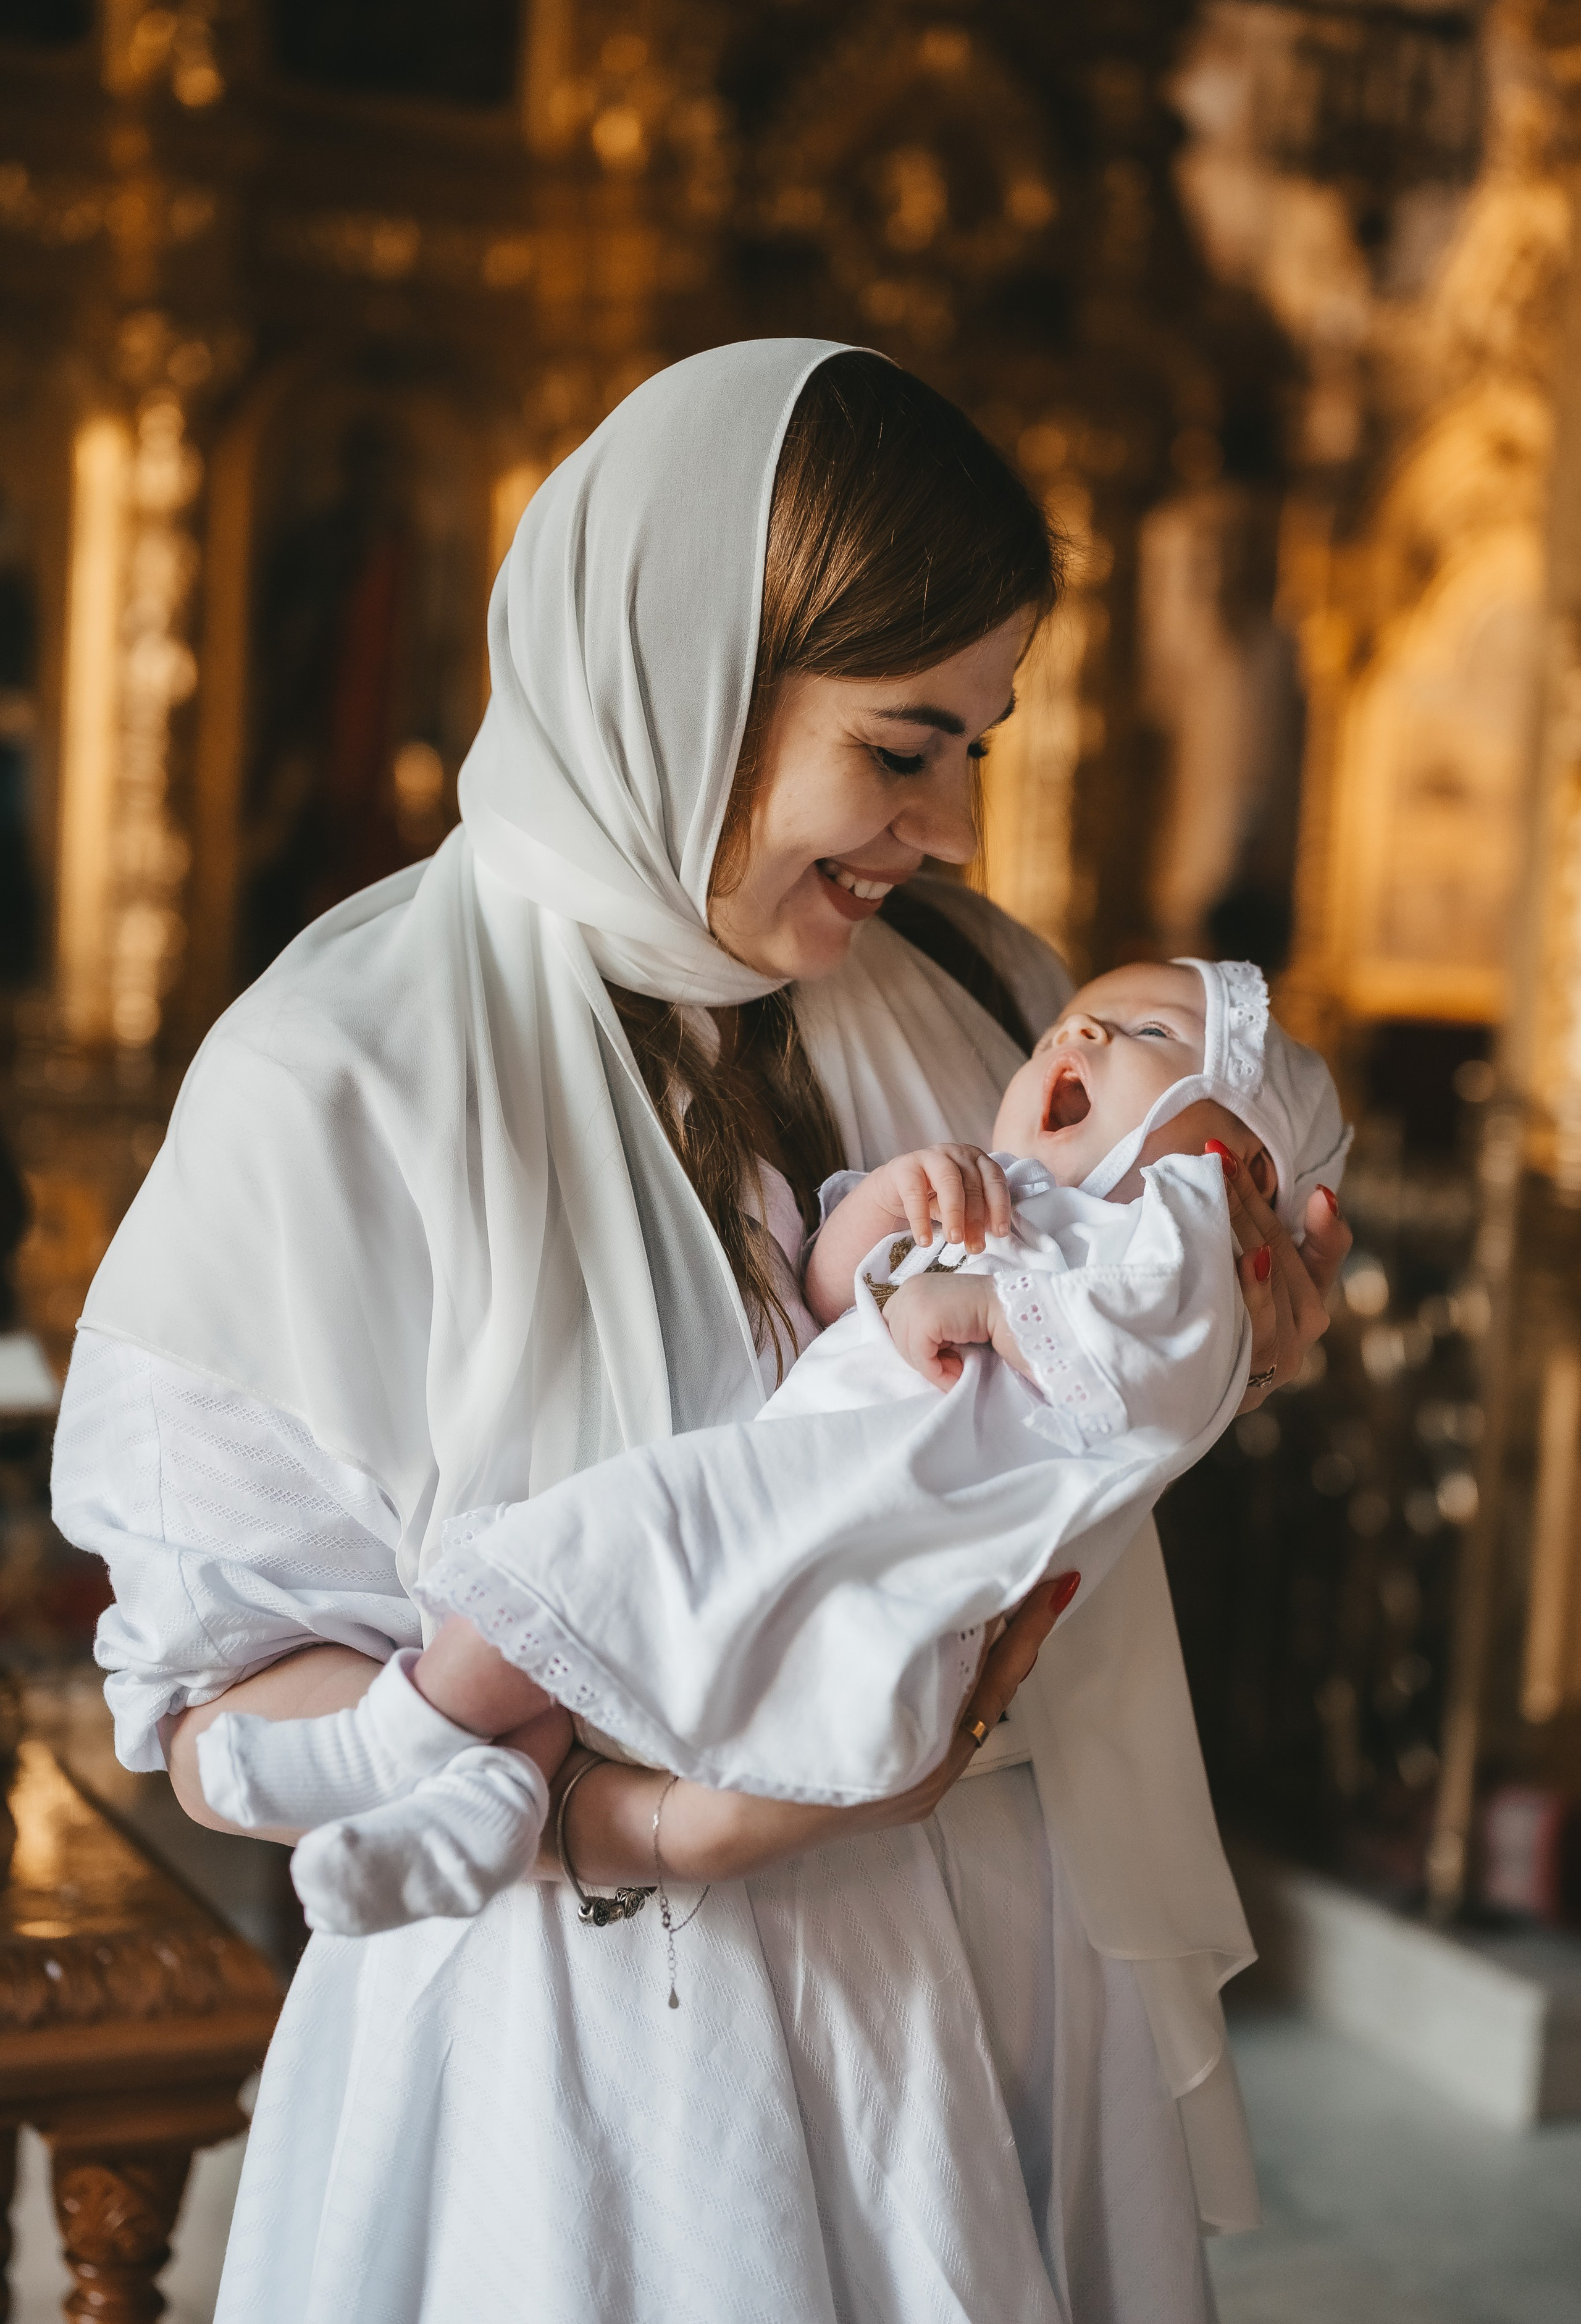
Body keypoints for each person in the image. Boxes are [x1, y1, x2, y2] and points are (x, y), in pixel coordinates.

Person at [52, 342, 1348, 2324]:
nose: (953, 829)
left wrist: (1221, 1356)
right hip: (593, 2050)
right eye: (902, 749)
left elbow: (1022, 1434)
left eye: (978, 749)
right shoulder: (344, 1076)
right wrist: (650, 1817)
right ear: (687, 676)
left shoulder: (986, 990)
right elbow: (216, 1710)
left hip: (1001, 1978)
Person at [193, 956, 1350, 1949]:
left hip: (864, 1535)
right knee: (593, 1607)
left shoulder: (1183, 1233)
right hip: (815, 1518)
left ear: (1245, 1166)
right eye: (1077, 1019)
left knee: (591, 1549)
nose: (1082, 1029)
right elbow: (833, 1301)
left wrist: (999, 1313)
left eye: (1157, 1033)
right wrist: (888, 1211)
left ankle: (391, 1743)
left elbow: (1147, 1373)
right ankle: (489, 1793)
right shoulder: (1017, 1204)